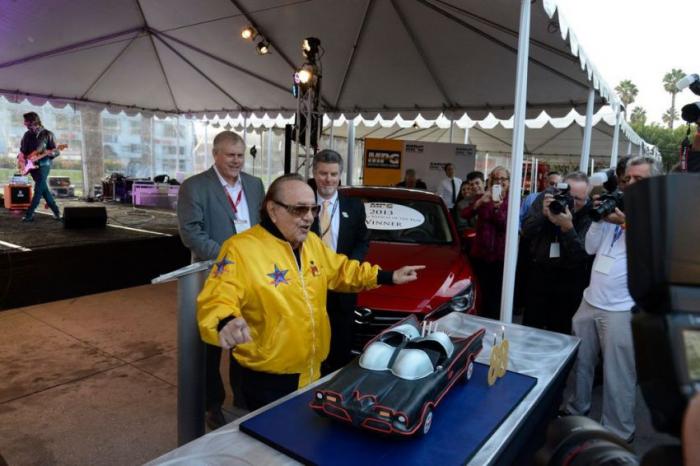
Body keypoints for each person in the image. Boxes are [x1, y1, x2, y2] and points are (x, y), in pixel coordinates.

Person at [197, 174, 424, 410]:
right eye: (299, 209)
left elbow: (341, 271)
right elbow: (217, 296)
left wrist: (387, 276)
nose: (308, 217)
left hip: (312, 370)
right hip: (267, 379)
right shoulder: (240, 249)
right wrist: (226, 321)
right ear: (273, 210)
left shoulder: (312, 243)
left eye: (313, 209)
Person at [563, 155, 663, 442]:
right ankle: (575, 412)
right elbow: (591, 248)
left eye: (639, 180)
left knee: (619, 375)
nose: (630, 184)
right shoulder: (616, 207)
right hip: (591, 300)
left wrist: (627, 223)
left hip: (622, 308)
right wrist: (599, 218)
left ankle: (618, 433)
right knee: (581, 363)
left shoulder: (659, 213)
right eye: (627, 179)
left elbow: (655, 254)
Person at [177, 130, 265, 428]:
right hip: (215, 277)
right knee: (212, 345)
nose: (236, 161)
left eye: (240, 155)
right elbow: (191, 232)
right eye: (230, 155)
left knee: (246, 338)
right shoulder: (194, 187)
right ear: (215, 154)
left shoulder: (254, 185)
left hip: (252, 277)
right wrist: (230, 259)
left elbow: (263, 225)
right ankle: (211, 404)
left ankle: (242, 401)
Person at [309, 149, 369, 374]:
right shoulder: (302, 203)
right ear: (314, 173)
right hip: (310, 284)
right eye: (323, 173)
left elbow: (363, 241)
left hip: (342, 286)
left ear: (340, 175)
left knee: (340, 343)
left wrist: (351, 266)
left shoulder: (354, 207)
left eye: (333, 174)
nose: (328, 179)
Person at [521, 171, 594, 334]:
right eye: (569, 197)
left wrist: (567, 227)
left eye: (578, 200)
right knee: (532, 326)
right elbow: (526, 230)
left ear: (587, 196)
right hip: (540, 272)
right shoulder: (548, 198)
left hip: (570, 279)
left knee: (561, 329)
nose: (571, 203)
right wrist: (543, 215)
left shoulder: (591, 213)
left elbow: (581, 254)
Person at [460, 166, 510, 319]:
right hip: (480, 253)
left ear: (508, 182)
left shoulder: (512, 200)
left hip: (500, 256)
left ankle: (493, 324)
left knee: (495, 295)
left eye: (503, 179)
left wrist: (497, 208)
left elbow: (504, 225)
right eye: (496, 179)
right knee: (480, 293)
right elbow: (465, 214)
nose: (499, 182)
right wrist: (480, 201)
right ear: (490, 181)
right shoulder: (483, 197)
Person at [17, 112, 62, 222]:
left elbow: (56, 151)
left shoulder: (48, 134)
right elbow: (22, 151)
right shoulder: (27, 135)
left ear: (33, 121)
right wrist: (21, 159)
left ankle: (29, 214)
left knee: (38, 190)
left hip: (43, 165)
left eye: (26, 121)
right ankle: (56, 212)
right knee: (44, 190)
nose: (24, 124)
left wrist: (48, 153)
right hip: (31, 166)